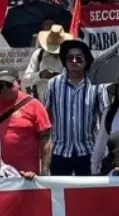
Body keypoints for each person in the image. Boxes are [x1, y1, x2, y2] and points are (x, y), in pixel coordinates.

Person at [0, 70, 52, 175]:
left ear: (19, 83)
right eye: (0, 86)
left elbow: (45, 140)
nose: (5, 89)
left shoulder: (34, 105)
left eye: (9, 85)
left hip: (26, 174)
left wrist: (44, 172)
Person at [44, 39, 107, 176]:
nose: (74, 61)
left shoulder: (97, 85)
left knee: (87, 189)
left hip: (88, 150)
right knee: (60, 189)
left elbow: (104, 116)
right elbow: (46, 115)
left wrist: (103, 148)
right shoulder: (53, 84)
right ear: (65, 61)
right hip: (60, 150)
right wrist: (47, 144)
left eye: (78, 58)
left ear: (86, 61)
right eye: (70, 58)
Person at [22, 24, 68, 100]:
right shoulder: (38, 54)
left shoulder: (69, 57)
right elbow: (25, 80)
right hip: (41, 103)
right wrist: (40, 75)